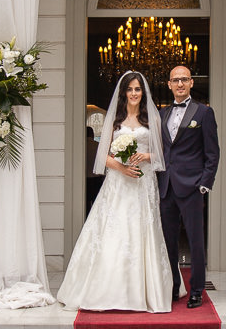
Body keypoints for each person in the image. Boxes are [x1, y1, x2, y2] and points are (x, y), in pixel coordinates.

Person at [57, 72, 177, 313]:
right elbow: (103, 157)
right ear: (123, 93)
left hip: (143, 184)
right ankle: (108, 288)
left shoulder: (151, 120)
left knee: (142, 229)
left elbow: (163, 155)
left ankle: (145, 290)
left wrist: (146, 156)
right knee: (115, 230)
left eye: (138, 89)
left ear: (144, 93)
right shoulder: (114, 121)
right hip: (118, 184)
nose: (134, 93)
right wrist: (121, 168)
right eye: (130, 89)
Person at [158, 65, 220, 309]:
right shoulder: (161, 114)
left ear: (192, 83)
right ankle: (174, 286)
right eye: (175, 80)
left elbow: (212, 153)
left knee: (195, 241)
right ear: (169, 84)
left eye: (184, 79)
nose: (180, 84)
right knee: (168, 241)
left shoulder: (204, 113)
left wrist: (204, 184)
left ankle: (197, 290)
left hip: (193, 187)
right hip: (166, 187)